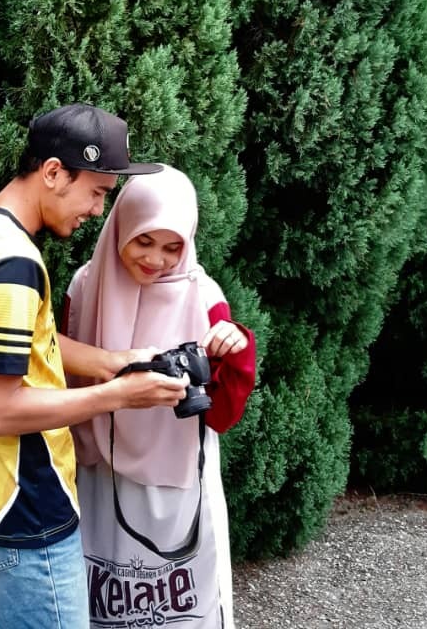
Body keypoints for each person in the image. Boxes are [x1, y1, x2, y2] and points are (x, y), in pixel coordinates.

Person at [0, 104, 190, 629]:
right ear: (54, 172)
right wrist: (119, 396)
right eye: (96, 192)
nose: (99, 211)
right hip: (26, 513)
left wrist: (112, 362)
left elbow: (23, 340)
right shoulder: (13, 267)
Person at [62, 165, 256, 629]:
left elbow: (222, 416)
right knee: (101, 600)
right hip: (96, 471)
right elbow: (60, 374)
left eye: (173, 247)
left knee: (179, 608)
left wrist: (236, 353)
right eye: (143, 241)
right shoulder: (85, 286)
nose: (156, 260)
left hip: (175, 480)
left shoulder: (203, 297)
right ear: (120, 228)